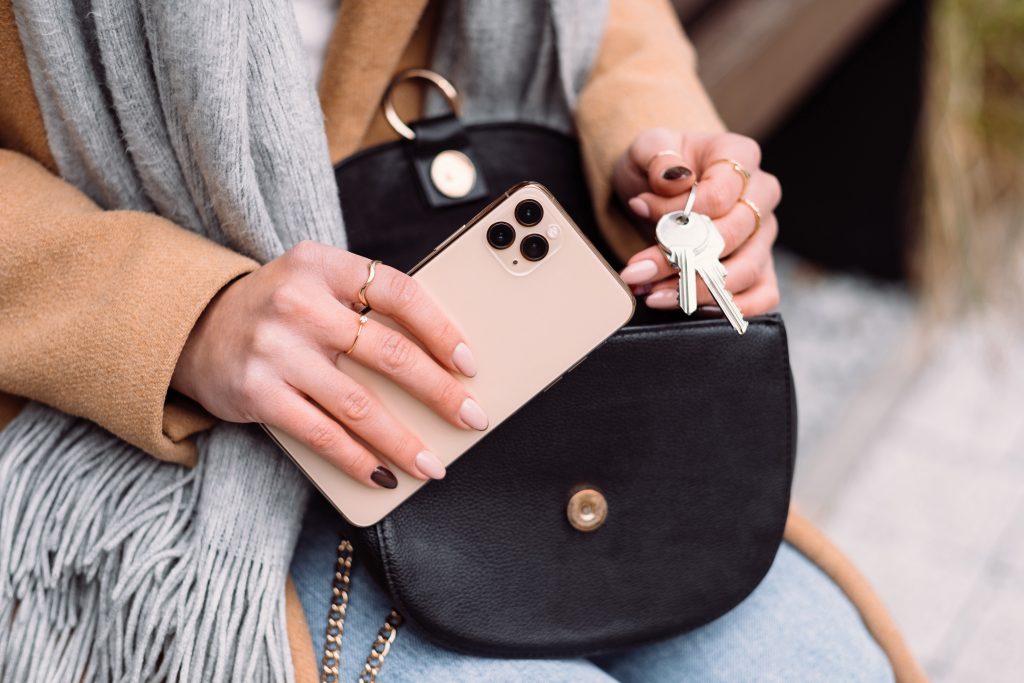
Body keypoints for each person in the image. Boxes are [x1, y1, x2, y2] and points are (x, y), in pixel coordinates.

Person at [0, 0, 909, 680]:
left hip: (506, 362)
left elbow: (610, 26)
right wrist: (188, 315)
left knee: (819, 662)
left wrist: (667, 160)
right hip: (156, 428)